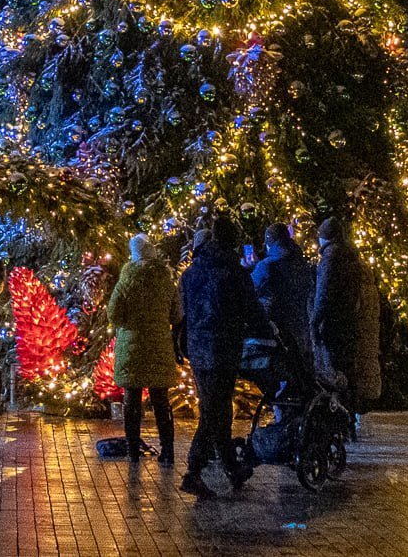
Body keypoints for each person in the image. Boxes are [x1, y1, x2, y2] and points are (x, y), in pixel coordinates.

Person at [179, 212, 268, 500]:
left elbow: (184, 311)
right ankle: (194, 470)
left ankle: (231, 467)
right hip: (223, 348)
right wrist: (266, 330)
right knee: (214, 411)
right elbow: (251, 311)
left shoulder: (191, 273)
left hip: (197, 348)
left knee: (216, 407)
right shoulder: (234, 274)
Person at [108, 234, 180, 464]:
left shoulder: (126, 282)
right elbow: (177, 315)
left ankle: (132, 451)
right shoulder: (166, 282)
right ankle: (167, 451)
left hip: (132, 348)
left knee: (132, 401)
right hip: (159, 345)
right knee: (161, 401)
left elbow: (114, 314)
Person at [313, 217, 382, 413]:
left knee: (335, 370)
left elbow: (323, 293)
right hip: (349, 323)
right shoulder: (353, 259)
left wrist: (315, 321)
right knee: (348, 368)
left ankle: (339, 412)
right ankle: (349, 412)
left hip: (334, 323)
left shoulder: (330, 259)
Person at [251, 223, 317, 380]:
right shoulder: (300, 262)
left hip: (278, 324)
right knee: (302, 363)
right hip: (301, 320)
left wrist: (250, 267)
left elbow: (251, 286)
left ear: (270, 241)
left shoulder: (267, 266)